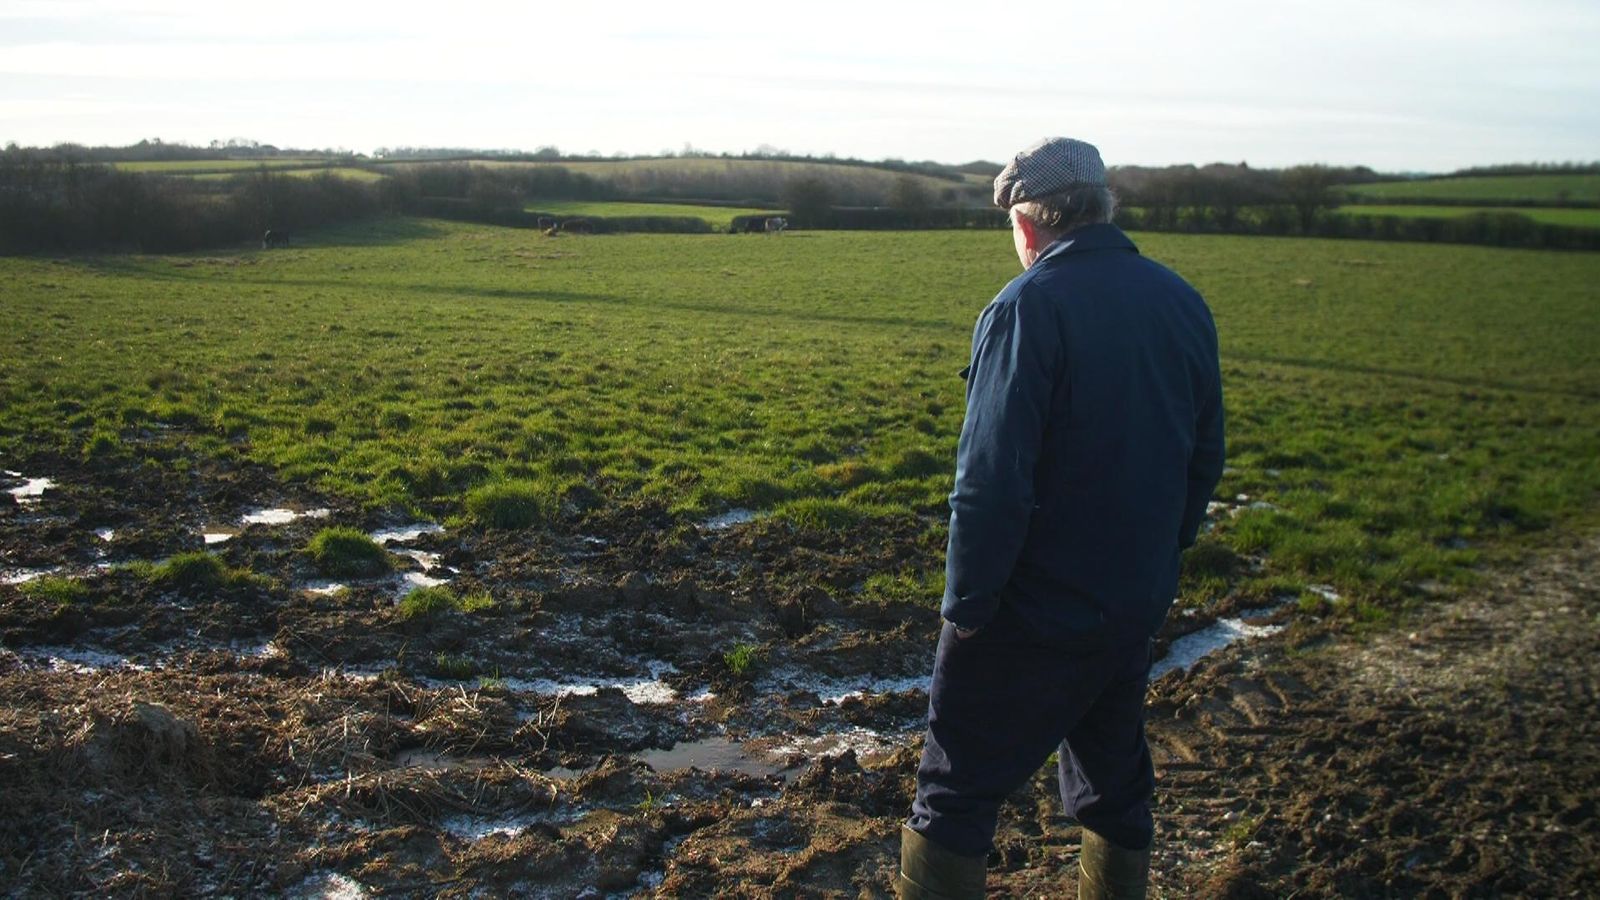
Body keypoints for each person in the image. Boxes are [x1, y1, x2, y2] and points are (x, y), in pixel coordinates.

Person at [895, 137, 1225, 900]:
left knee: (954, 795)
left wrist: (969, 609)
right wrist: (1158, 563)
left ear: (1029, 225)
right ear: (1101, 209)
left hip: (1029, 609)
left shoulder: (1026, 307)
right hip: (1130, 603)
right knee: (1115, 782)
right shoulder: (1181, 300)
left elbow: (988, 482)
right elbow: (1203, 457)